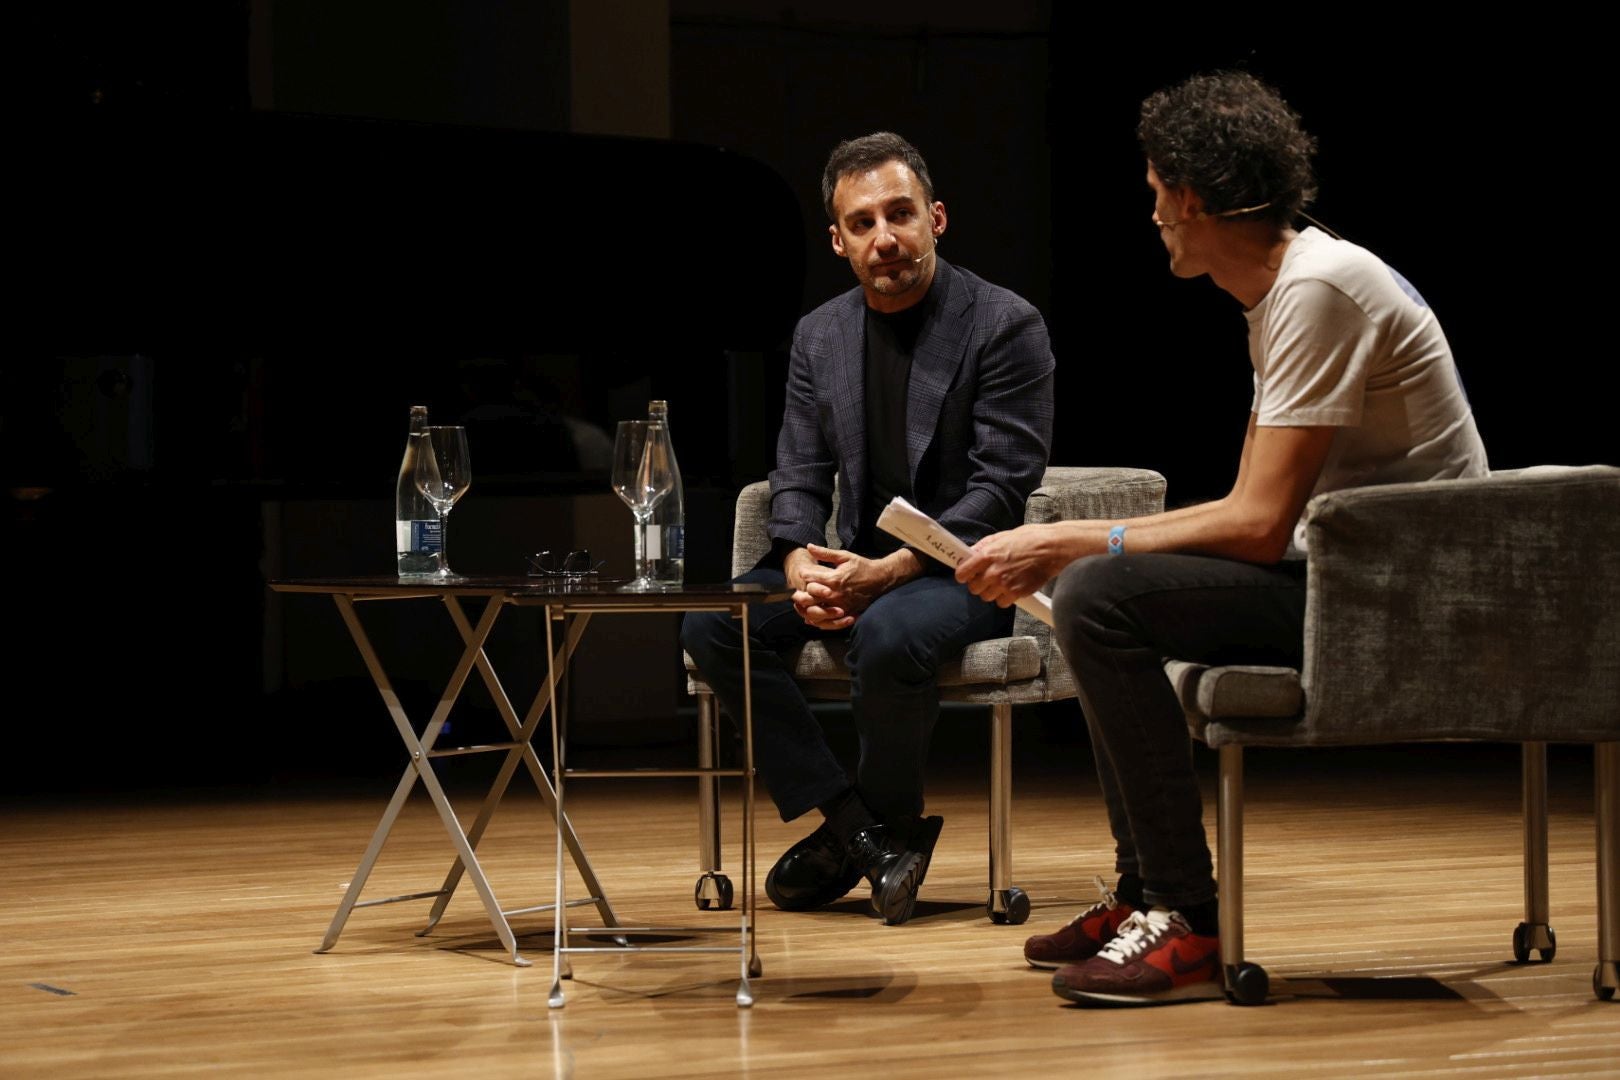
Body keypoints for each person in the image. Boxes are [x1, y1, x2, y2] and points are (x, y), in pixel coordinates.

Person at [956, 71, 1488, 1004]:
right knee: (1094, 598)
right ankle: (1140, 896)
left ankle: (1185, 917)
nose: (1151, 208)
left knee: (1096, 595)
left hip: (1401, 601)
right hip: (1350, 576)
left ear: (1192, 199)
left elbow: (1255, 525)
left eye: (1157, 188)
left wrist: (1072, 542)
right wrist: (1086, 550)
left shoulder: (1321, 291)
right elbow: (1253, 508)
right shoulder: (1288, 292)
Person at [681, 131, 1055, 926]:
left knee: (886, 632)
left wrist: (889, 570)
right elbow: (799, 471)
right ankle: (865, 836)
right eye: (862, 223)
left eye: (900, 214)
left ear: (936, 218)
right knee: (714, 621)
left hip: (964, 568)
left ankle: (870, 828)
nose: (885, 238)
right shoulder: (820, 333)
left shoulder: (1004, 324)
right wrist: (794, 565)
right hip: (854, 558)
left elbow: (1000, 487)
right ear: (839, 240)